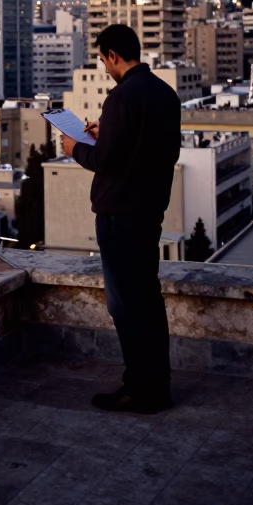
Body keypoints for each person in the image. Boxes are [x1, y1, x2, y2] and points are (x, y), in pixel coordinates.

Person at [60, 24, 181, 413]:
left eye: (102, 58)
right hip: (149, 213)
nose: (103, 66)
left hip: (118, 216)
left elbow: (104, 161)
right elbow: (161, 151)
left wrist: (74, 147)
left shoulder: (120, 98)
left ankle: (139, 389)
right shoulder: (165, 94)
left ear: (113, 55)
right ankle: (157, 386)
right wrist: (107, 132)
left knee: (125, 305)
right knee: (148, 299)